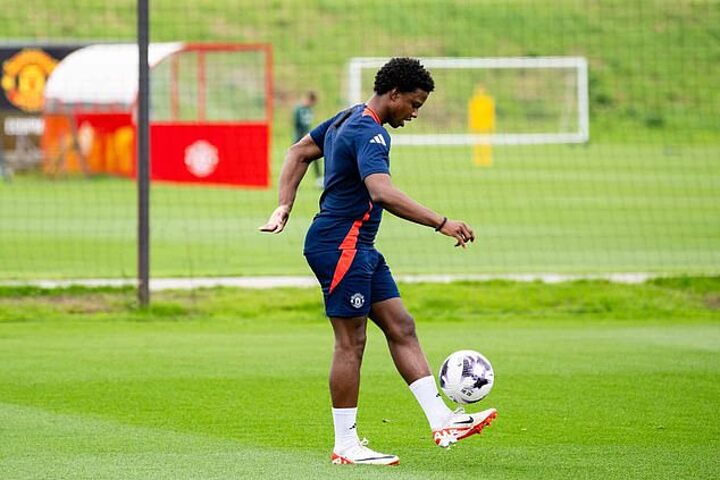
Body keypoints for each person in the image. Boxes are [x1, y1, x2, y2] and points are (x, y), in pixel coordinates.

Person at [260, 58, 496, 466]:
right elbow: (382, 192)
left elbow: (299, 152)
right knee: (351, 342)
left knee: (401, 325)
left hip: (359, 245)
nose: (415, 113)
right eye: (414, 104)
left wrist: (284, 205)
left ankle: (442, 419)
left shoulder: (346, 117)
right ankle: (346, 445)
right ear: (394, 94)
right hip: (341, 245)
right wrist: (442, 222)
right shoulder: (370, 132)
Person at [292, 91, 322, 187]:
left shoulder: (310, 110)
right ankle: (293, 181)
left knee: (316, 157)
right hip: (299, 139)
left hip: (308, 138)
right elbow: (297, 125)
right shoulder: (298, 109)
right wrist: (300, 138)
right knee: (297, 161)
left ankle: (319, 179)